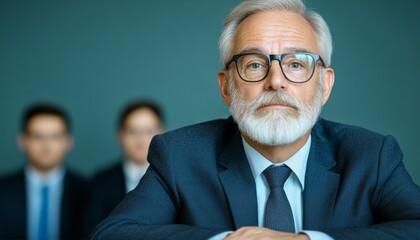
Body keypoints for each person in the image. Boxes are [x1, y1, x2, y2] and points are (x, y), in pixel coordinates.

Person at [92, 0, 420, 239]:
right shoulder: (179, 156)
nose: (275, 80)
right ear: (225, 86)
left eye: (296, 64)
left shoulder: (372, 155)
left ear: (325, 85)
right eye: (253, 64)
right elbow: (115, 233)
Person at [0, 103, 88, 240]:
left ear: (69, 142)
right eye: (37, 136)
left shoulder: (87, 191)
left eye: (54, 136)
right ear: (22, 141)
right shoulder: (3, 190)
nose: (46, 145)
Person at [86, 100, 164, 234]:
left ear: (162, 133)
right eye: (133, 131)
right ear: (120, 135)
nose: (141, 139)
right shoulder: (100, 182)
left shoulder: (175, 178)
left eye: (148, 131)